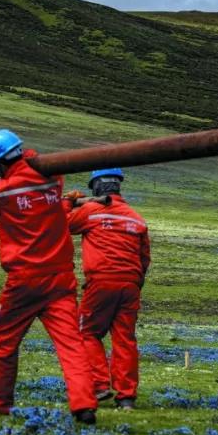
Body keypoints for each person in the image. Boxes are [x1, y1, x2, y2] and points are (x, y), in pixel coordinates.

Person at [0, 129, 97, 424]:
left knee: (3, 342)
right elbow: (40, 166)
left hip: (23, 281)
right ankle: (84, 405)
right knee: (71, 343)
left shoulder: (1, 192)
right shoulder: (52, 179)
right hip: (60, 278)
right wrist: (29, 158)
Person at [63, 168, 150, 410]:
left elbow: (63, 225)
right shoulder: (136, 218)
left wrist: (68, 202)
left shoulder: (91, 211)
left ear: (96, 186)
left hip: (101, 281)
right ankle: (127, 397)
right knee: (125, 339)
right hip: (130, 284)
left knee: (86, 332)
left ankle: (99, 385)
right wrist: (134, 282)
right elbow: (144, 258)